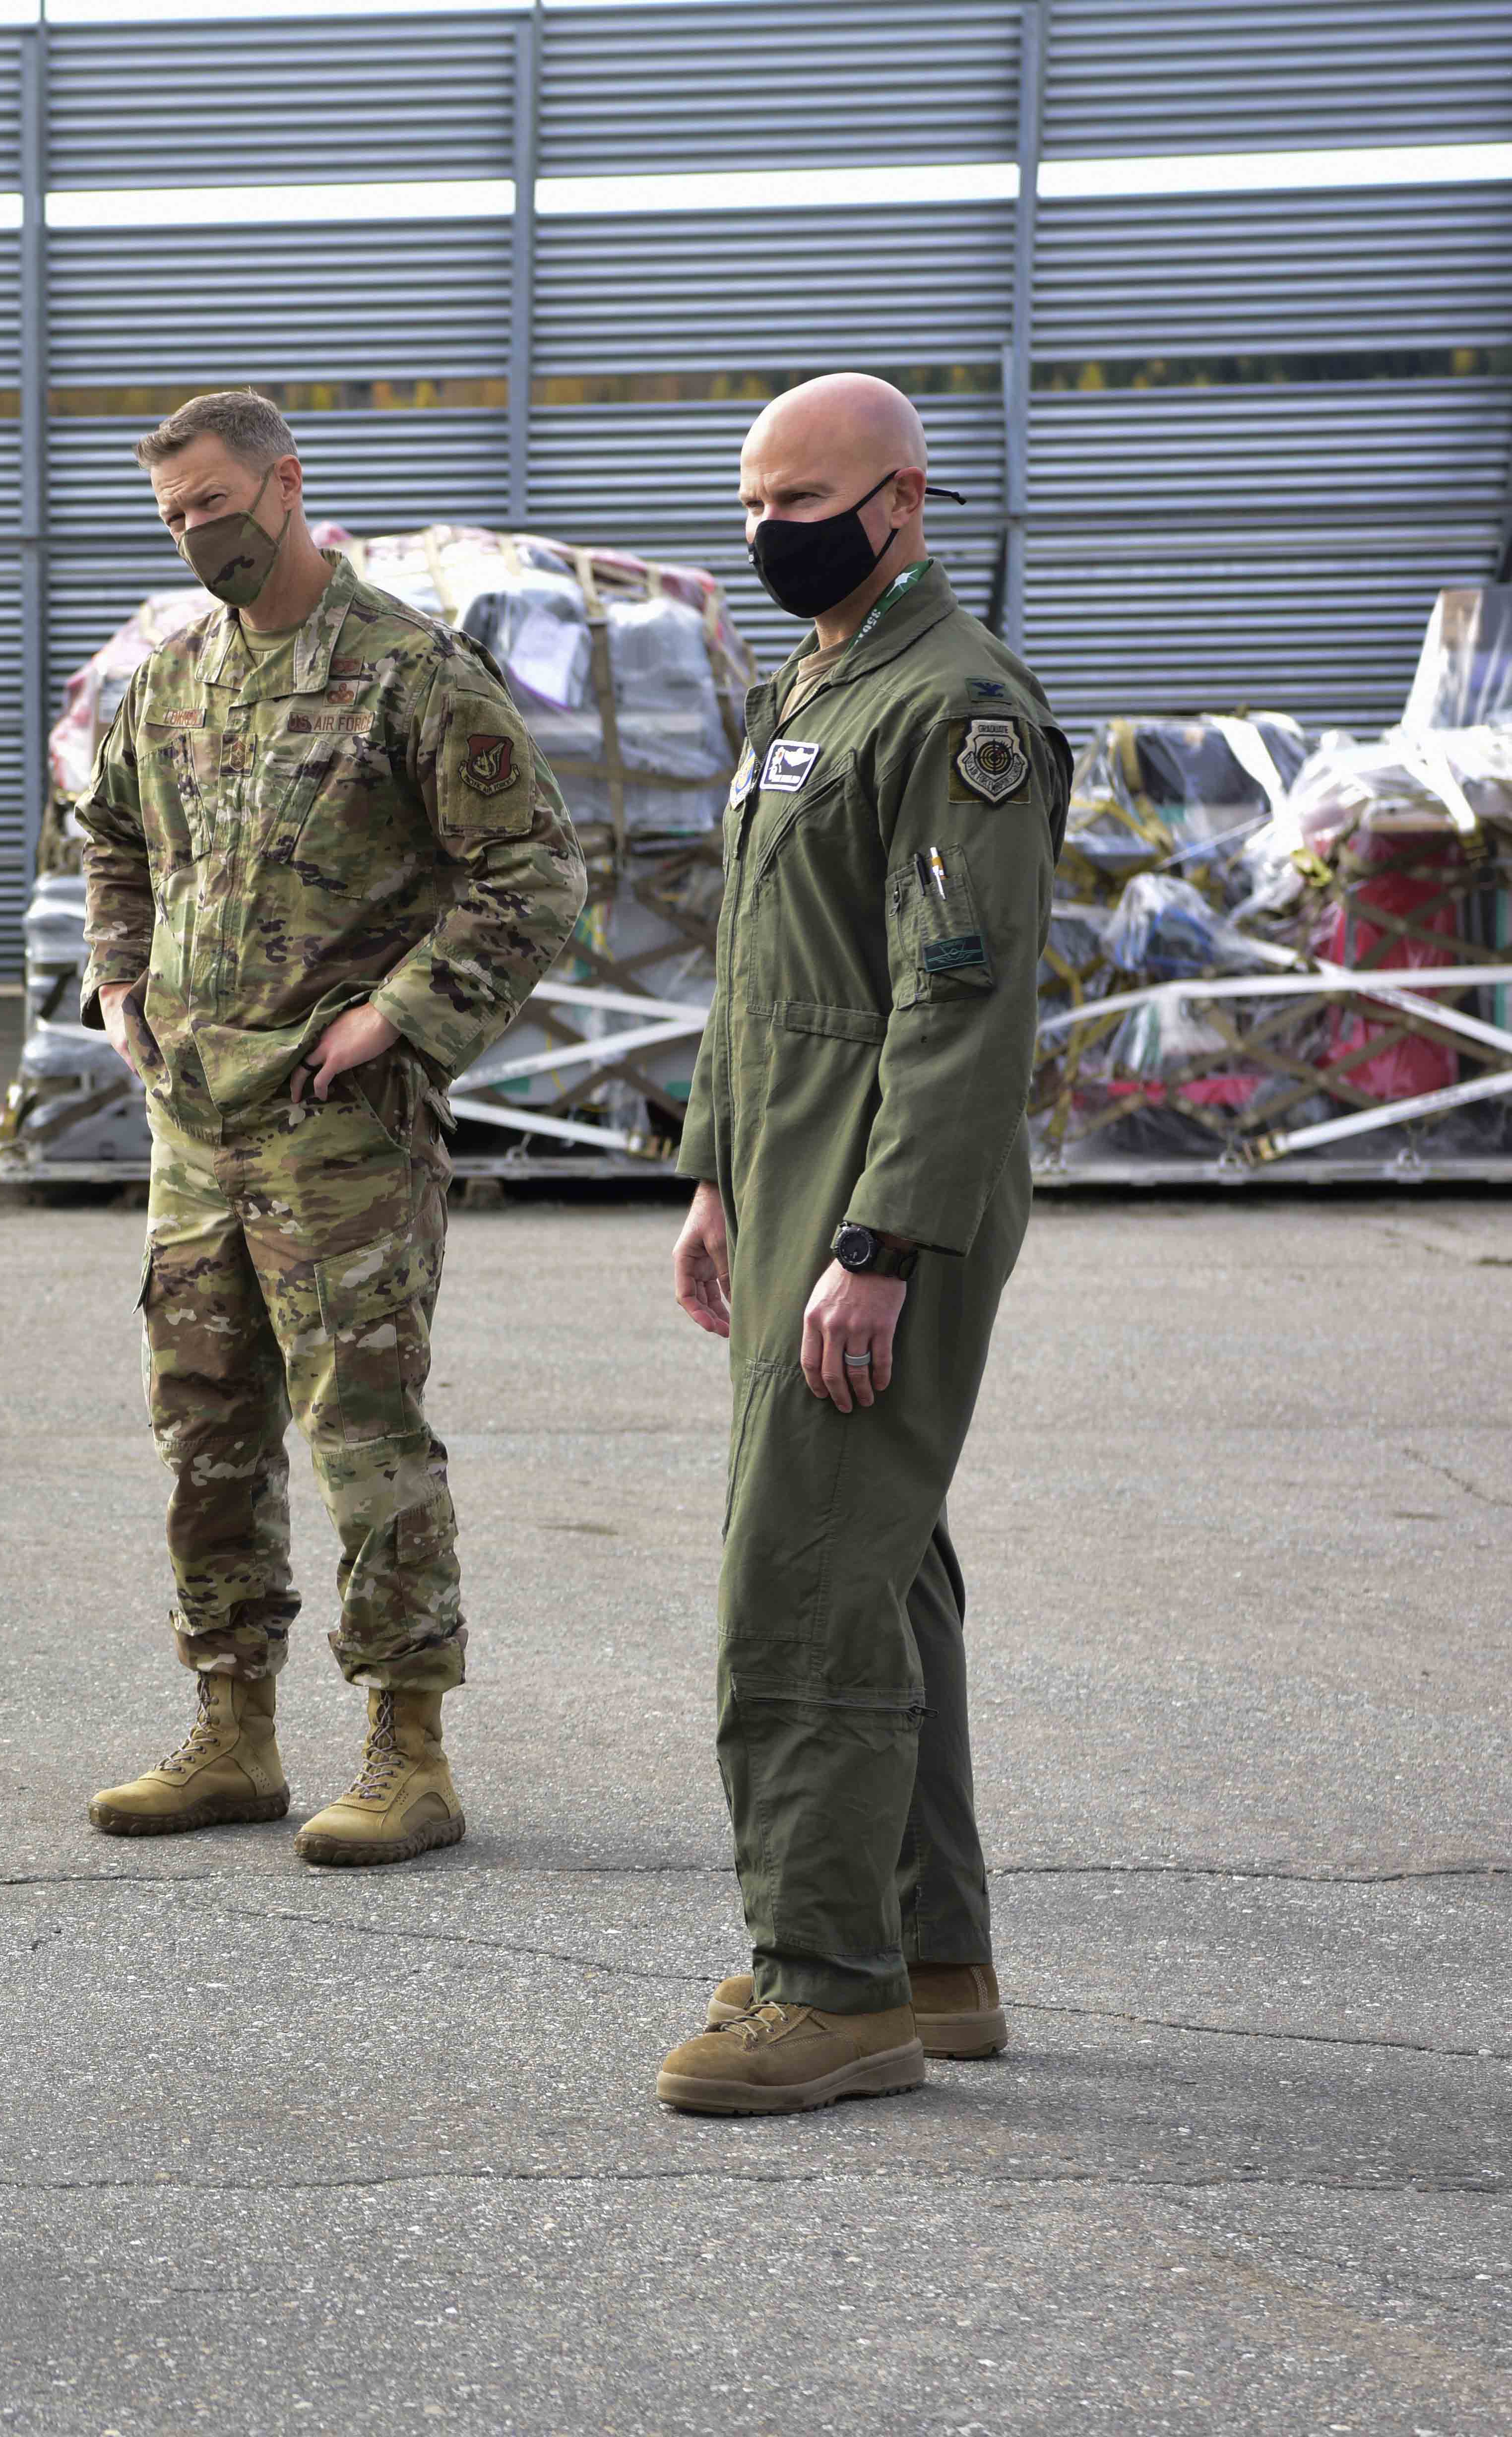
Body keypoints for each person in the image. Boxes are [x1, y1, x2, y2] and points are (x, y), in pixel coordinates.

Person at [72, 392, 584, 1857]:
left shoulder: (406, 674)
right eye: (175, 516)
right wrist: (119, 983)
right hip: (197, 1131)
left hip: (340, 1134)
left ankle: (407, 1750)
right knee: (206, 1433)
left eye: (218, 505)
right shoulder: (171, 680)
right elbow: (107, 835)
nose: (198, 534)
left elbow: (534, 877)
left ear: (289, 487)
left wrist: (400, 1019)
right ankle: (233, 1732)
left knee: (364, 1434)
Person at [652, 373, 1063, 2117]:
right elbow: (767, 968)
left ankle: (828, 1989)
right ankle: (932, 1959)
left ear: (900, 499)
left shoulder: (959, 709)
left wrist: (880, 1242)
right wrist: (715, 1168)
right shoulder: (818, 684)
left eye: (801, 498)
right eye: (750, 502)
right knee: (879, 1560)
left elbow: (956, 1011)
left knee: (801, 1579)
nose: (769, 533)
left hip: (891, 1193)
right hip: (795, 1177)